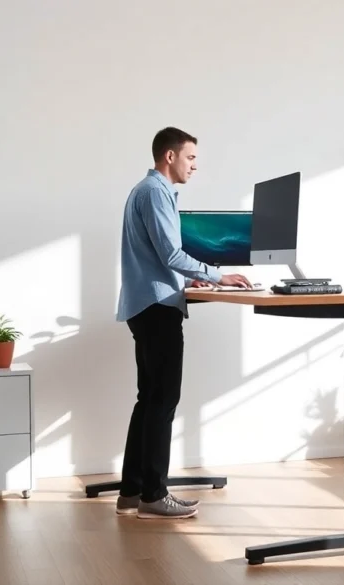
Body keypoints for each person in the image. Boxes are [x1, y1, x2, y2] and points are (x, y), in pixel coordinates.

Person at [115, 127, 251, 519]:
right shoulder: (156, 192)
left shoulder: (148, 191)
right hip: (157, 307)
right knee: (163, 401)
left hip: (146, 303)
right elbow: (171, 251)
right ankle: (154, 497)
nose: (195, 165)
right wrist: (216, 274)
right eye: (190, 157)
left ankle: (132, 491)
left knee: (148, 400)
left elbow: (159, 255)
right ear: (170, 156)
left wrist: (188, 278)